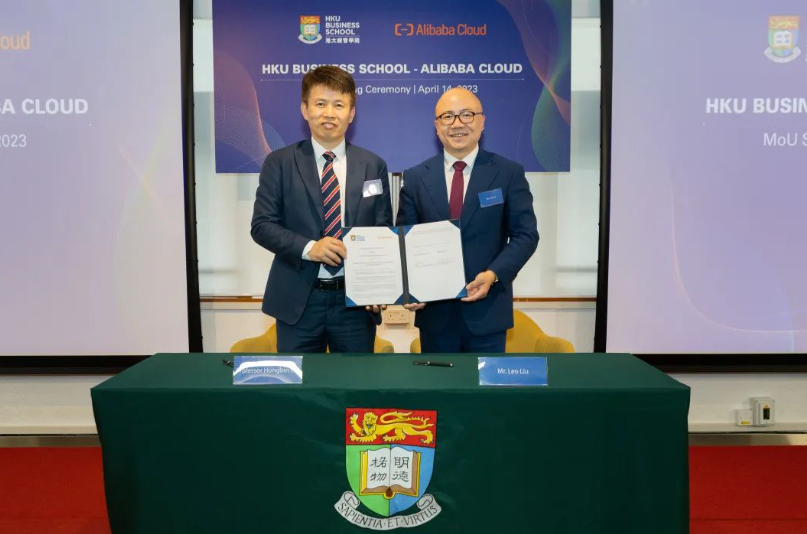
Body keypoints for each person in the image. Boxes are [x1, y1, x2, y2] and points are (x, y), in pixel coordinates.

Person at [251, 66, 392, 352]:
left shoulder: (373, 165)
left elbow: (382, 231)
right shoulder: (279, 163)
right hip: (297, 302)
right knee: (299, 380)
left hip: (355, 304)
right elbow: (262, 226)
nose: (329, 113)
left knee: (356, 380)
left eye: (339, 105)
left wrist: (380, 285)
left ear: (351, 113)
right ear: (305, 109)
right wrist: (310, 248)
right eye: (320, 104)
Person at [397, 88, 539, 353]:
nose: (457, 124)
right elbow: (405, 241)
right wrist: (410, 288)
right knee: (437, 381)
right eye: (447, 117)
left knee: (484, 383)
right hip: (434, 315)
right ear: (436, 126)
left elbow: (526, 235)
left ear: (482, 121)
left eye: (467, 115)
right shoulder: (415, 178)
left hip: (488, 314)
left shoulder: (508, 173)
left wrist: (493, 274)